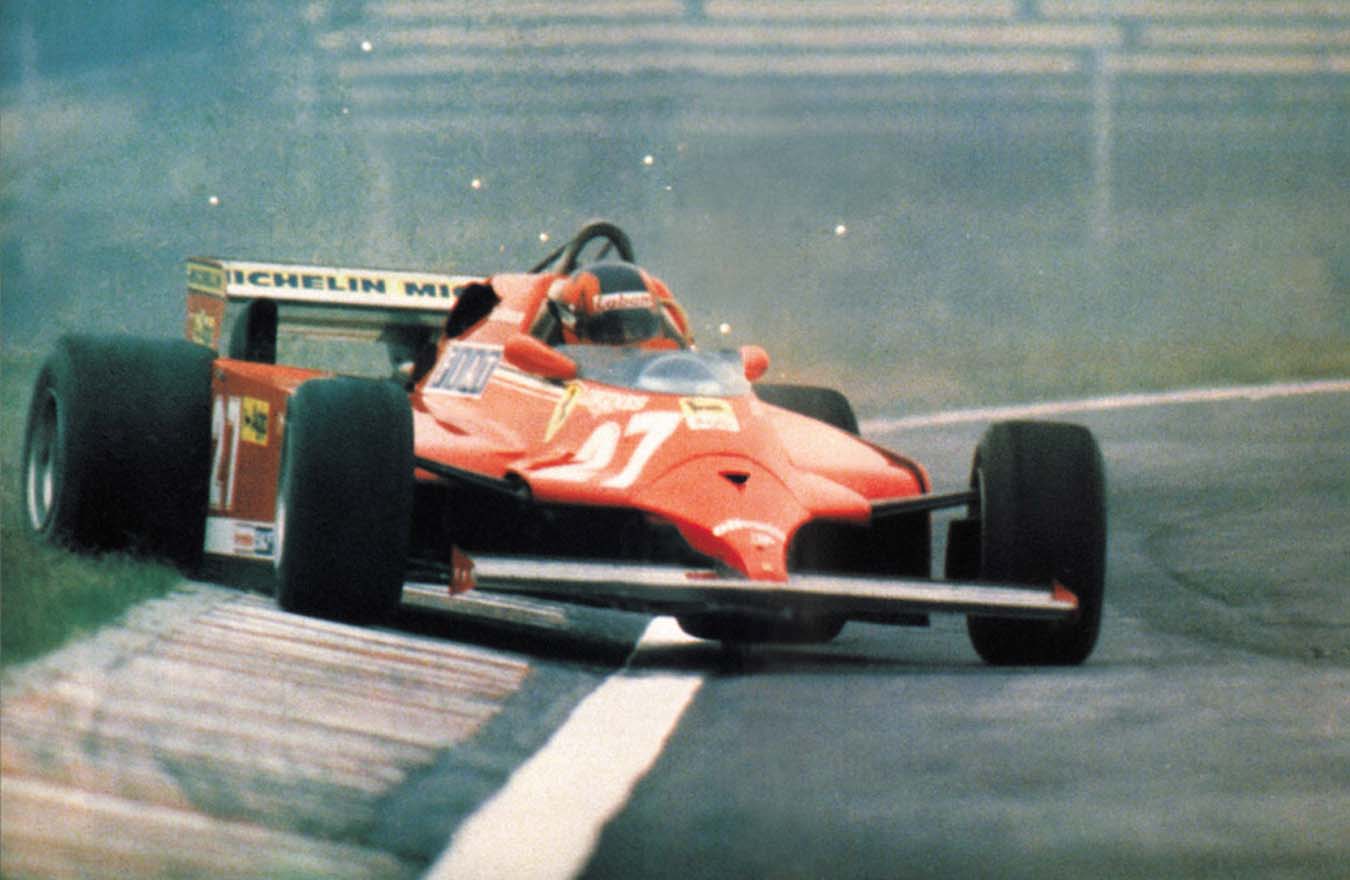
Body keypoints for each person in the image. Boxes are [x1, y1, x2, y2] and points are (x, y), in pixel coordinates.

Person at [542, 262, 692, 349]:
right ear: (569, 322)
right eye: (611, 333)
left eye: (637, 329)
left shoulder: (668, 348)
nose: (627, 341)